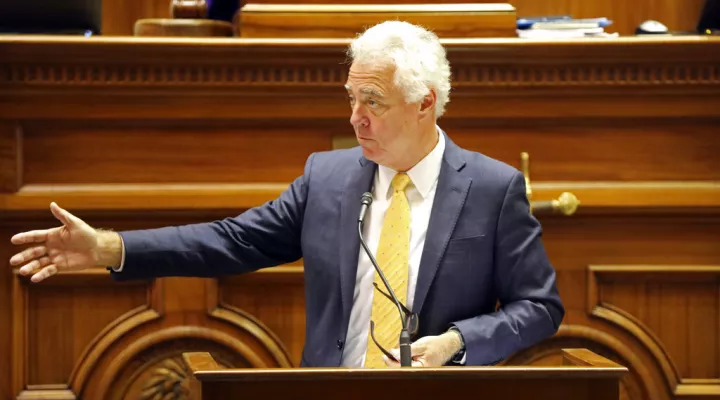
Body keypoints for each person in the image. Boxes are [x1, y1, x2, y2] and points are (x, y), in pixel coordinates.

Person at [9, 21, 564, 368]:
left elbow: (539, 307)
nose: (356, 118)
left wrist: (457, 343)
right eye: (351, 98)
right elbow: (229, 242)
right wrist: (108, 248)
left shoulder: (492, 188)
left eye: (373, 101)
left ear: (426, 103)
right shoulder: (328, 178)